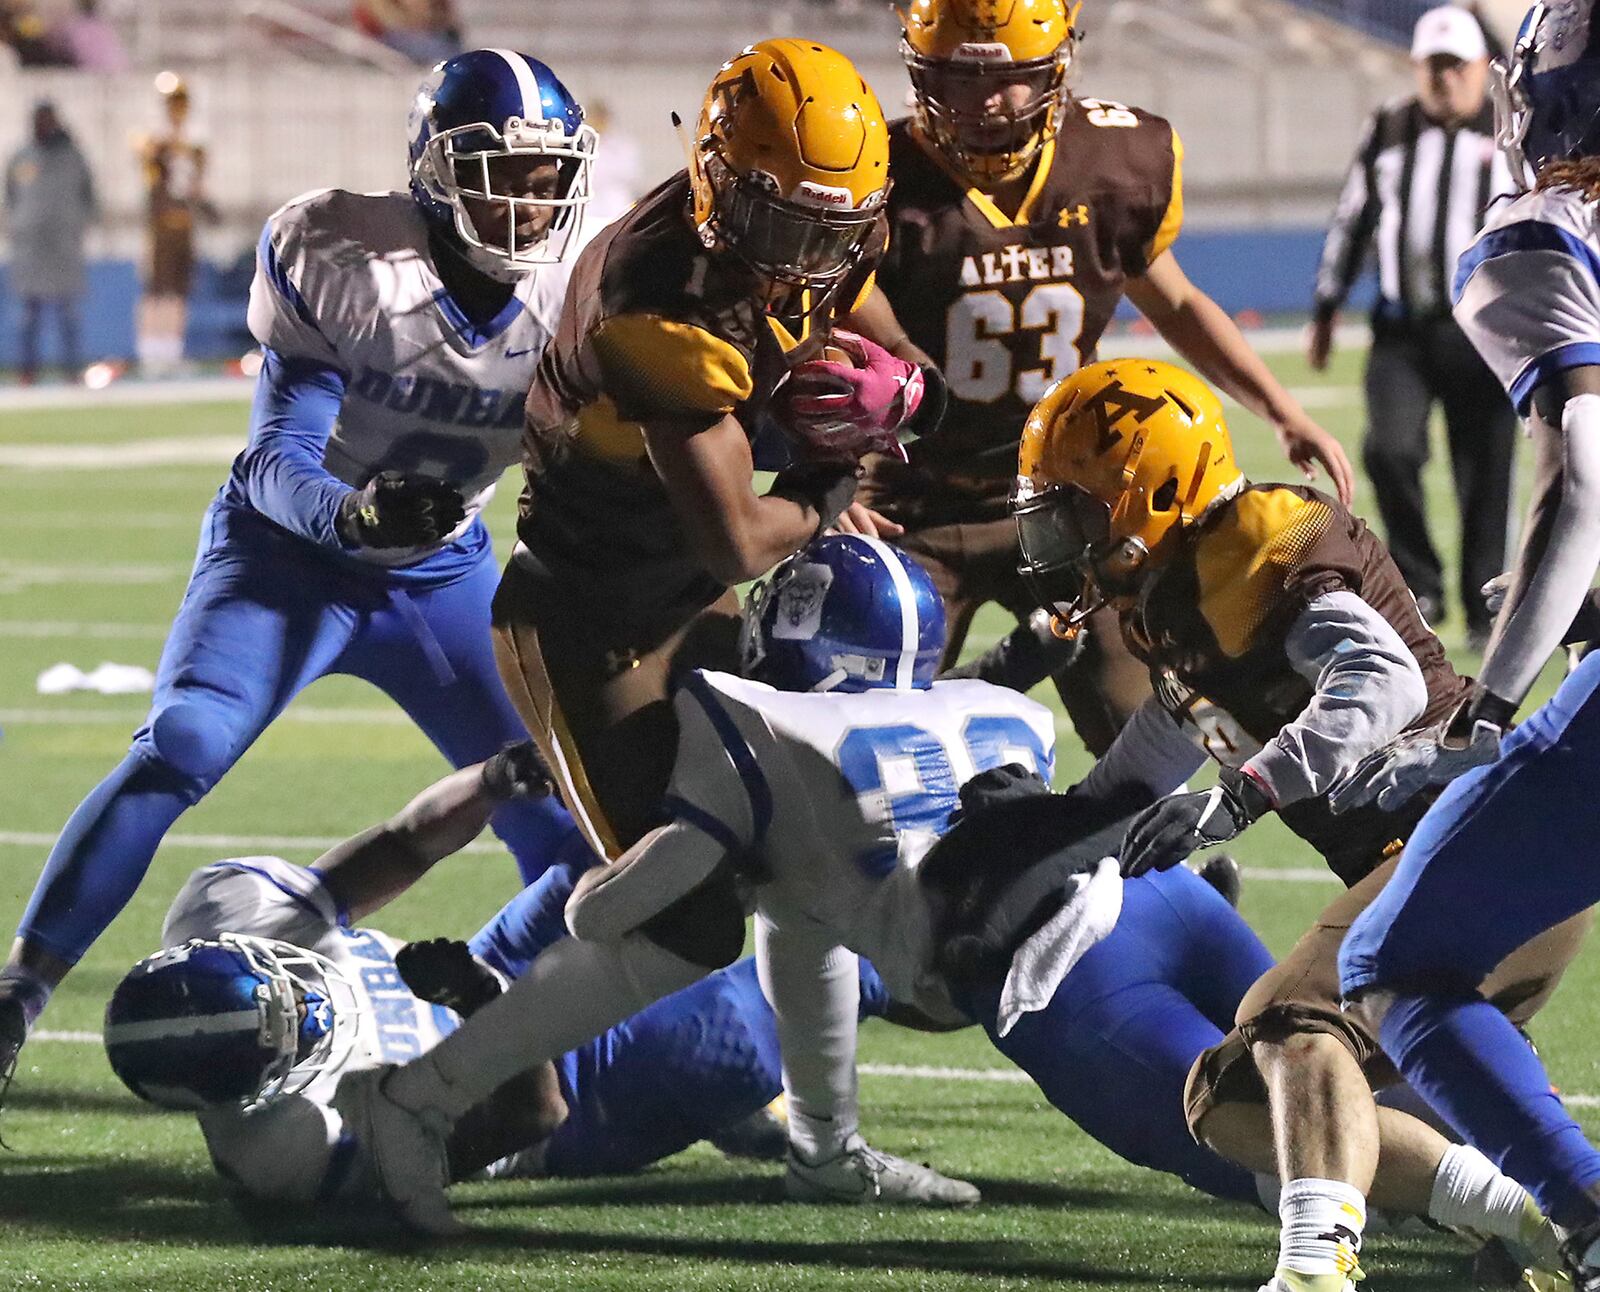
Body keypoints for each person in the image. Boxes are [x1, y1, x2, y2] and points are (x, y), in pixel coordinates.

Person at [339, 533, 1566, 1258]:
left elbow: (637, 913)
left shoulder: (751, 730)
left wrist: (593, 897)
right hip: (1154, 893)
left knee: (1259, 1143)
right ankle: (1539, 1169)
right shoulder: (979, 705)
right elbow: (806, 932)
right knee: (1319, 1065)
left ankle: (1544, 1212)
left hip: (1057, 982)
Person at [0, 49, 599, 1115]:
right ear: (432, 171)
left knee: (571, 824)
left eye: (546, 177)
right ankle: (16, 993)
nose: (528, 200)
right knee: (183, 741)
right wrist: (352, 514)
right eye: (501, 172)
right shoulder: (346, 253)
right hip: (288, 557)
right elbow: (278, 456)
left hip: (441, 571)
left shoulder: (578, 295)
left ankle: (523, 1035)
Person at [1009, 357, 1581, 1292]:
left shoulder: (1261, 542)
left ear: (1153, 488)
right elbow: (1163, 742)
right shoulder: (1174, 595)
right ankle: (1523, 1208)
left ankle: (1315, 1271)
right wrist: (1049, 828)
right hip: (1443, 868)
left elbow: (1382, 679)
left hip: (1482, 839)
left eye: (1076, 510)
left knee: (1289, 1017)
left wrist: (1242, 796)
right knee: (1228, 1098)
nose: (1056, 539)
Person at [491, 40, 938, 968]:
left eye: (830, 230)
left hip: (693, 582)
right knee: (684, 912)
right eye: (780, 227)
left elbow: (878, 322)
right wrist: (827, 484)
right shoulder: (658, 303)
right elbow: (736, 537)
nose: (804, 258)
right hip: (593, 608)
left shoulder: (830, 223)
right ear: (716, 184)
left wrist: (902, 391)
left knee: (787, 843)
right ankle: (495, 986)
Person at [825, 0, 1352, 756]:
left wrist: (1280, 409)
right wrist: (829, 477)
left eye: (1008, 79)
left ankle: (1146, 873)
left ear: (1058, 67)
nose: (982, 103)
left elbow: (1172, 299)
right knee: (858, 741)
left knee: (1140, 731)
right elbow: (815, 340)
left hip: (1067, 499)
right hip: (911, 500)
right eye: (956, 78)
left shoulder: (1111, 161)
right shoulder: (876, 173)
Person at [101, 743, 873, 1200]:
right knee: (832, 967)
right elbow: (531, 1116)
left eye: (287, 987)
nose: (313, 1000)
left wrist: (494, 779)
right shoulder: (285, 1154)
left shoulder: (224, 908)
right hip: (575, 1088)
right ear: (255, 1085)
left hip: (497, 960)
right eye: (294, 1028)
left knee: (632, 825)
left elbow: (403, 844)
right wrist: (477, 1000)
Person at [1333, 6, 1600, 1288]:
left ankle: (1590, 1214)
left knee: (1395, 959)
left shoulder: (1537, 232)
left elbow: (1585, 481)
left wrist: (1485, 707)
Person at [1310, 4, 1517, 648]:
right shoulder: (1390, 127)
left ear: (1483, 69)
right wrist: (1326, 305)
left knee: (1485, 469)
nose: (1445, 79)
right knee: (1390, 450)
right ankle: (1419, 583)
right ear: (1417, 67)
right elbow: (1354, 217)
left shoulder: (1510, 131)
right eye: (1435, 67)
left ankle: (1485, 604)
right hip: (1402, 329)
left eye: (1457, 67)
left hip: (1484, 332)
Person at [4, 100, 96, 383]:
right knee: (27, 315)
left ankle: (72, 370)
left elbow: (90, 197)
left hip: (63, 247)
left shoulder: (73, 157)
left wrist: (76, 226)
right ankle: (27, 371)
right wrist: (18, 226)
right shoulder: (21, 157)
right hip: (30, 248)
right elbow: (10, 197)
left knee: (69, 314)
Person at [133, 72, 209, 379]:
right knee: (155, 289)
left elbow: (197, 186)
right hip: (160, 224)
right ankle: (150, 352)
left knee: (178, 290)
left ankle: (172, 350)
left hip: (185, 224)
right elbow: (148, 166)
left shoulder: (193, 145)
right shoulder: (155, 143)